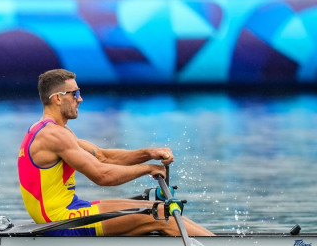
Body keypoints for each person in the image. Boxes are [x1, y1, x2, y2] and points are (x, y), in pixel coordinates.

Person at [17, 68, 213, 237]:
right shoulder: (53, 136)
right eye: (75, 93)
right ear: (58, 98)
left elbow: (103, 156)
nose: (80, 99)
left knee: (158, 209)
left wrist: (149, 153)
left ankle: (217, 243)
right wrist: (147, 169)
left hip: (70, 209)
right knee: (160, 213)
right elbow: (102, 175)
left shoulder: (52, 131)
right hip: (60, 221)